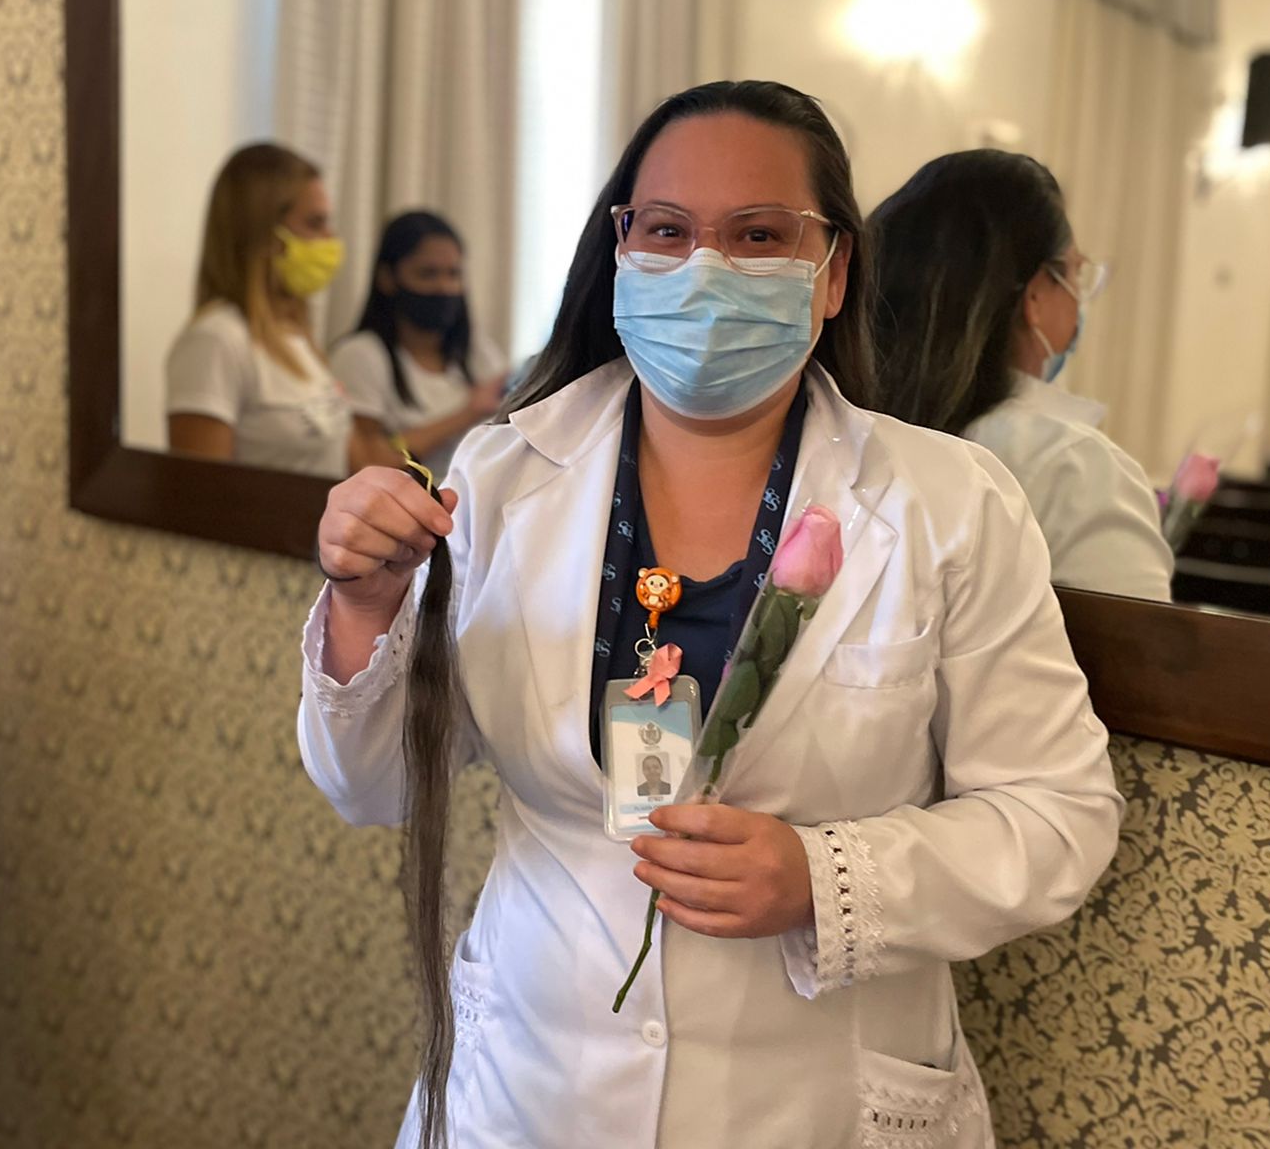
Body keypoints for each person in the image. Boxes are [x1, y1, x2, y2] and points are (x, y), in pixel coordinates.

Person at [300, 81, 1122, 1148]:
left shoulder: (949, 503)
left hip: (811, 1106)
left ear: (833, 273)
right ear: (620, 249)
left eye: (758, 236)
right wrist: (365, 604)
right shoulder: (503, 476)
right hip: (533, 1091)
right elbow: (373, 786)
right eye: (667, 230)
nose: (704, 269)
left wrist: (825, 881)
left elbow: (1057, 817)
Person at [868, 149, 1175, 601]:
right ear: (1034, 296)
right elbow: (1135, 642)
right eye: (1076, 273)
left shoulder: (847, 429)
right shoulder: (1074, 468)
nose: (1080, 299)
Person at [164, 143, 400, 477]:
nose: (330, 238)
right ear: (263, 232)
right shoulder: (216, 340)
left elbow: (351, 462)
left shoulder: (297, 338)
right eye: (315, 223)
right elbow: (199, 489)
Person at [331, 211, 510, 480]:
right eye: (428, 274)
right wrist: (468, 413)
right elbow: (369, 462)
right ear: (387, 278)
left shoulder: (477, 351)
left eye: (453, 274)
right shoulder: (360, 355)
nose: (444, 287)